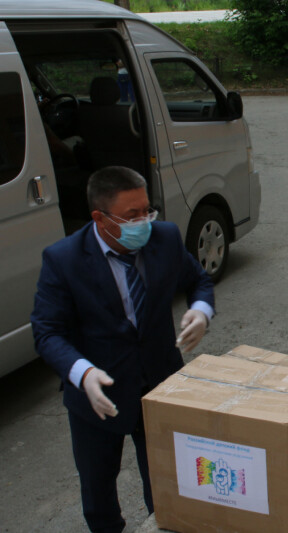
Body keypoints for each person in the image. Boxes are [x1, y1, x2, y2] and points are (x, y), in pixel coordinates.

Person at [31, 166, 215, 533]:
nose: (143, 222)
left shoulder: (164, 237)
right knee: (98, 492)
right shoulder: (64, 260)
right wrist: (82, 372)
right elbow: (47, 332)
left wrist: (201, 311)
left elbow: (198, 280)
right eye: (132, 216)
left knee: (167, 484)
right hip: (97, 396)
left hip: (160, 385)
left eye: (147, 210)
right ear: (100, 218)